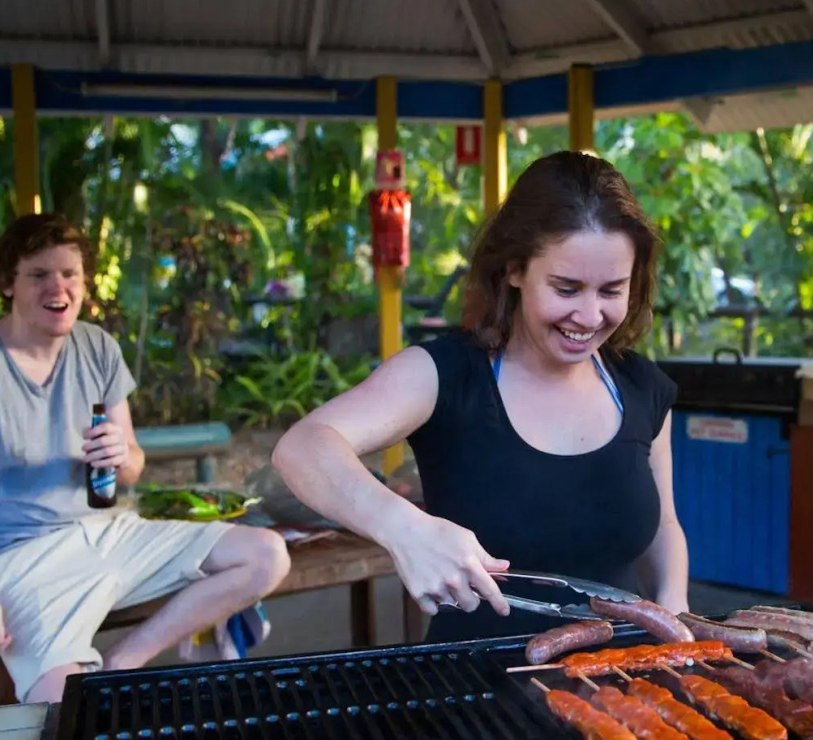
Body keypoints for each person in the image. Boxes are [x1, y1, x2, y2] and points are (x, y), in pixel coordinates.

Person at [273, 151, 689, 643]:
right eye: (566, 289)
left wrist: (675, 606)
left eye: (612, 290)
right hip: (472, 678)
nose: (589, 315)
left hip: (625, 675)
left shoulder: (640, 386)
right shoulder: (446, 374)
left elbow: (663, 524)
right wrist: (403, 527)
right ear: (514, 269)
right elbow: (302, 447)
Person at [0, 212, 290, 704]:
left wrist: (122, 454)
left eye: (69, 273)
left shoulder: (97, 347)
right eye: (39, 274)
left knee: (266, 555)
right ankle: (86, 684)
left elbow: (133, 466)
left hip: (111, 532)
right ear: (8, 284)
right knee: (69, 706)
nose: (59, 288)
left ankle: (122, 663)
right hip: (21, 557)